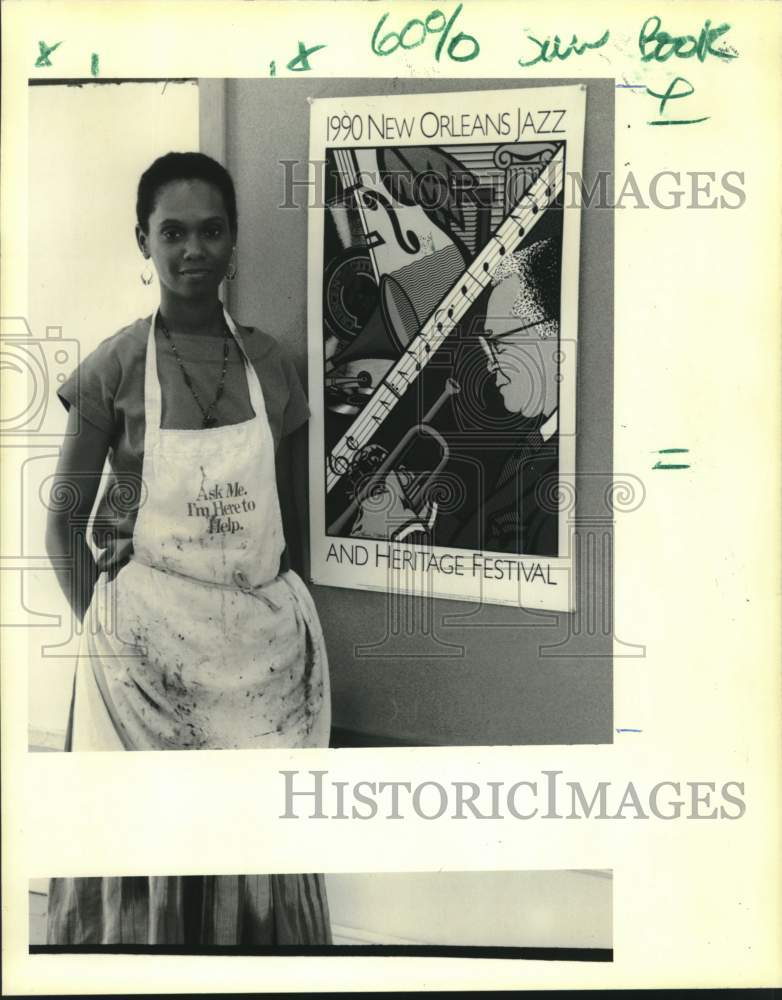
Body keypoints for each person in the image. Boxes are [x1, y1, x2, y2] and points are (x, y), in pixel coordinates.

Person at [44, 151, 331, 944]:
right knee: (146, 858)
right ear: (143, 240)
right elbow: (64, 521)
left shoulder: (271, 366)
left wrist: (280, 612)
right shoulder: (115, 366)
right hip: (141, 675)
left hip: (260, 668)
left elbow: (288, 525)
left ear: (235, 242)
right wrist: (105, 632)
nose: (193, 250)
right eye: (173, 232)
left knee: (254, 852)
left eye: (211, 231)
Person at [445, 239, 560, 555]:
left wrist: (407, 532)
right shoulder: (534, 443)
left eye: (499, 344)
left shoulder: (562, 468)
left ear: (553, 341)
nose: (489, 362)